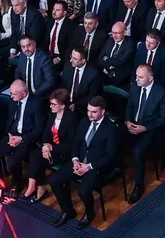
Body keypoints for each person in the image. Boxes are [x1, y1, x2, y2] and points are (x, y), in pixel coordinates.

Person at [49, 95, 117, 228]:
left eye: (94, 112)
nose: (90, 114)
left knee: (83, 191)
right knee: (54, 180)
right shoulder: (85, 120)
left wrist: (88, 166)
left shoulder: (111, 129)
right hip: (79, 161)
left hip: (96, 166)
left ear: (102, 111)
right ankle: (67, 211)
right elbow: (77, 142)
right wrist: (75, 160)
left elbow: (110, 156)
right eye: (88, 110)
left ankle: (89, 214)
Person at [125, 64, 165, 203]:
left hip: (151, 129)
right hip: (133, 125)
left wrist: (144, 128)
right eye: (136, 76)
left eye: (140, 77)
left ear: (150, 78)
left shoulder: (161, 93)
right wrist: (127, 121)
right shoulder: (135, 87)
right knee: (114, 137)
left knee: (138, 151)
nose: (136, 79)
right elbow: (130, 105)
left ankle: (138, 185)